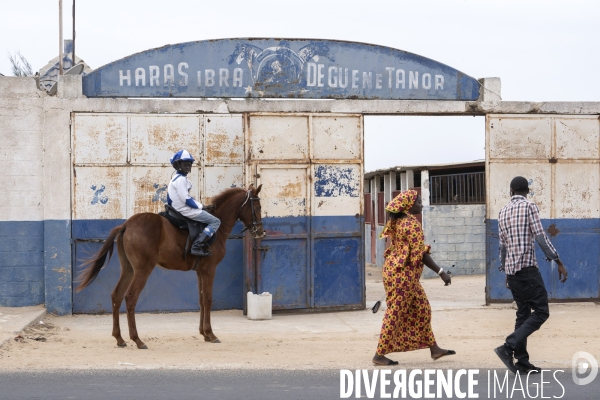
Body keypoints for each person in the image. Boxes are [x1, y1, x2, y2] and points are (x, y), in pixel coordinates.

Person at [494, 176, 568, 374]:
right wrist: (558, 261)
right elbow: (540, 237)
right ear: (527, 191)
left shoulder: (502, 212)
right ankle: (508, 346)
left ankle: (522, 362)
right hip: (527, 270)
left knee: (523, 314)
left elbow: (502, 246)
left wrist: (505, 271)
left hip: (513, 271)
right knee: (542, 312)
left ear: (511, 191)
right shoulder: (530, 207)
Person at [372, 189, 455, 366]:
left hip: (398, 273)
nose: (421, 204)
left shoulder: (398, 221)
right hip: (402, 275)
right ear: (409, 205)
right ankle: (379, 354)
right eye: (418, 202)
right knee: (394, 313)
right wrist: (441, 272)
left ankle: (434, 349)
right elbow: (421, 254)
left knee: (422, 309)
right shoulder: (411, 224)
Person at [167, 149, 221, 257]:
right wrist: (201, 207)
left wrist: (201, 206)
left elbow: (188, 197)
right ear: (178, 165)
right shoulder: (180, 180)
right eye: (185, 164)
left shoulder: (177, 178)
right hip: (183, 210)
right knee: (215, 221)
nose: (187, 167)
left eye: (189, 165)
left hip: (179, 208)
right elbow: (185, 199)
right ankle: (197, 245)